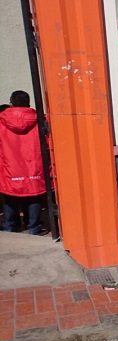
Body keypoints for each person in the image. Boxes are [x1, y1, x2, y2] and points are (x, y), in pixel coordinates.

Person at [0, 90, 48, 235]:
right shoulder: (38, 119)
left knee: (10, 194)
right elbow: (47, 141)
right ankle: (34, 227)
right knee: (34, 194)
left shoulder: (2, 120)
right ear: (28, 103)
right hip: (33, 164)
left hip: (9, 165)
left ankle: (10, 226)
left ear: (11, 103)